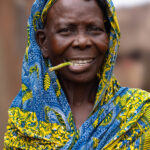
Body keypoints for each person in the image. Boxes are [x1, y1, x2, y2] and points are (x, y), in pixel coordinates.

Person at [4, 0, 150, 149]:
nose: (82, 41)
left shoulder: (139, 115)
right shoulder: (24, 121)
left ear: (109, 38)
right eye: (66, 30)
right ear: (43, 42)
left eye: (94, 29)